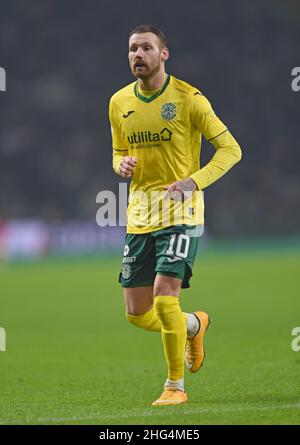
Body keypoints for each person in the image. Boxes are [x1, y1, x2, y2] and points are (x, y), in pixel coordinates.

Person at [109, 25, 242, 406]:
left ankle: (174, 387)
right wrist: (121, 164)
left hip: (181, 213)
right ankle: (194, 325)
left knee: (165, 297)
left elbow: (231, 150)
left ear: (164, 54)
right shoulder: (119, 101)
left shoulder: (189, 99)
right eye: (133, 48)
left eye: (146, 48)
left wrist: (194, 182)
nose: (138, 54)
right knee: (137, 313)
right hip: (139, 215)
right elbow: (118, 151)